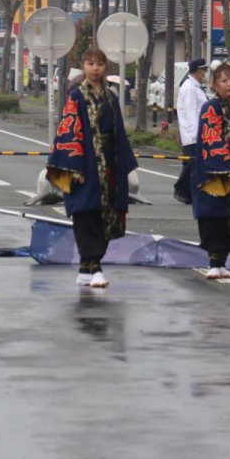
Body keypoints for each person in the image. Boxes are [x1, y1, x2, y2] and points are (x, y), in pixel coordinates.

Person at [46, 48, 139, 288]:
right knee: (85, 213)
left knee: (106, 215)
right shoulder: (76, 96)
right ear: (83, 67)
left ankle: (87, 268)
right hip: (84, 164)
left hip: (108, 166)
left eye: (99, 64)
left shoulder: (110, 97)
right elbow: (68, 131)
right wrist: (73, 167)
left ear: (106, 67)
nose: (95, 68)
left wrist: (124, 164)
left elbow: (118, 134)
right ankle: (93, 266)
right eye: (90, 64)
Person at [192, 62, 230, 279]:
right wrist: (226, 167)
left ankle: (223, 260)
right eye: (224, 80)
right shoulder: (212, 107)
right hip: (216, 170)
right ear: (215, 85)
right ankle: (214, 262)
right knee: (215, 215)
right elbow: (212, 138)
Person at [173, 58, 209, 204]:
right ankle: (181, 190)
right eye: (204, 70)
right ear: (199, 71)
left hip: (196, 132)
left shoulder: (195, 87)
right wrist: (196, 134)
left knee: (193, 164)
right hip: (192, 133)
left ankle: (188, 192)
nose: (206, 73)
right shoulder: (189, 88)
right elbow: (191, 112)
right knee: (190, 164)